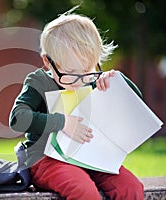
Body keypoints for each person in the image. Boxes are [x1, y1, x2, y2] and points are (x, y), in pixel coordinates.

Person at [9, 10, 144, 200]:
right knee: (83, 190)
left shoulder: (93, 80)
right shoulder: (38, 81)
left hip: (91, 156)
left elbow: (135, 100)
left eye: (87, 71)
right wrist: (63, 122)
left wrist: (118, 80)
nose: (79, 81)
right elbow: (18, 118)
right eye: (70, 72)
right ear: (48, 61)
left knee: (131, 187)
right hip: (47, 160)